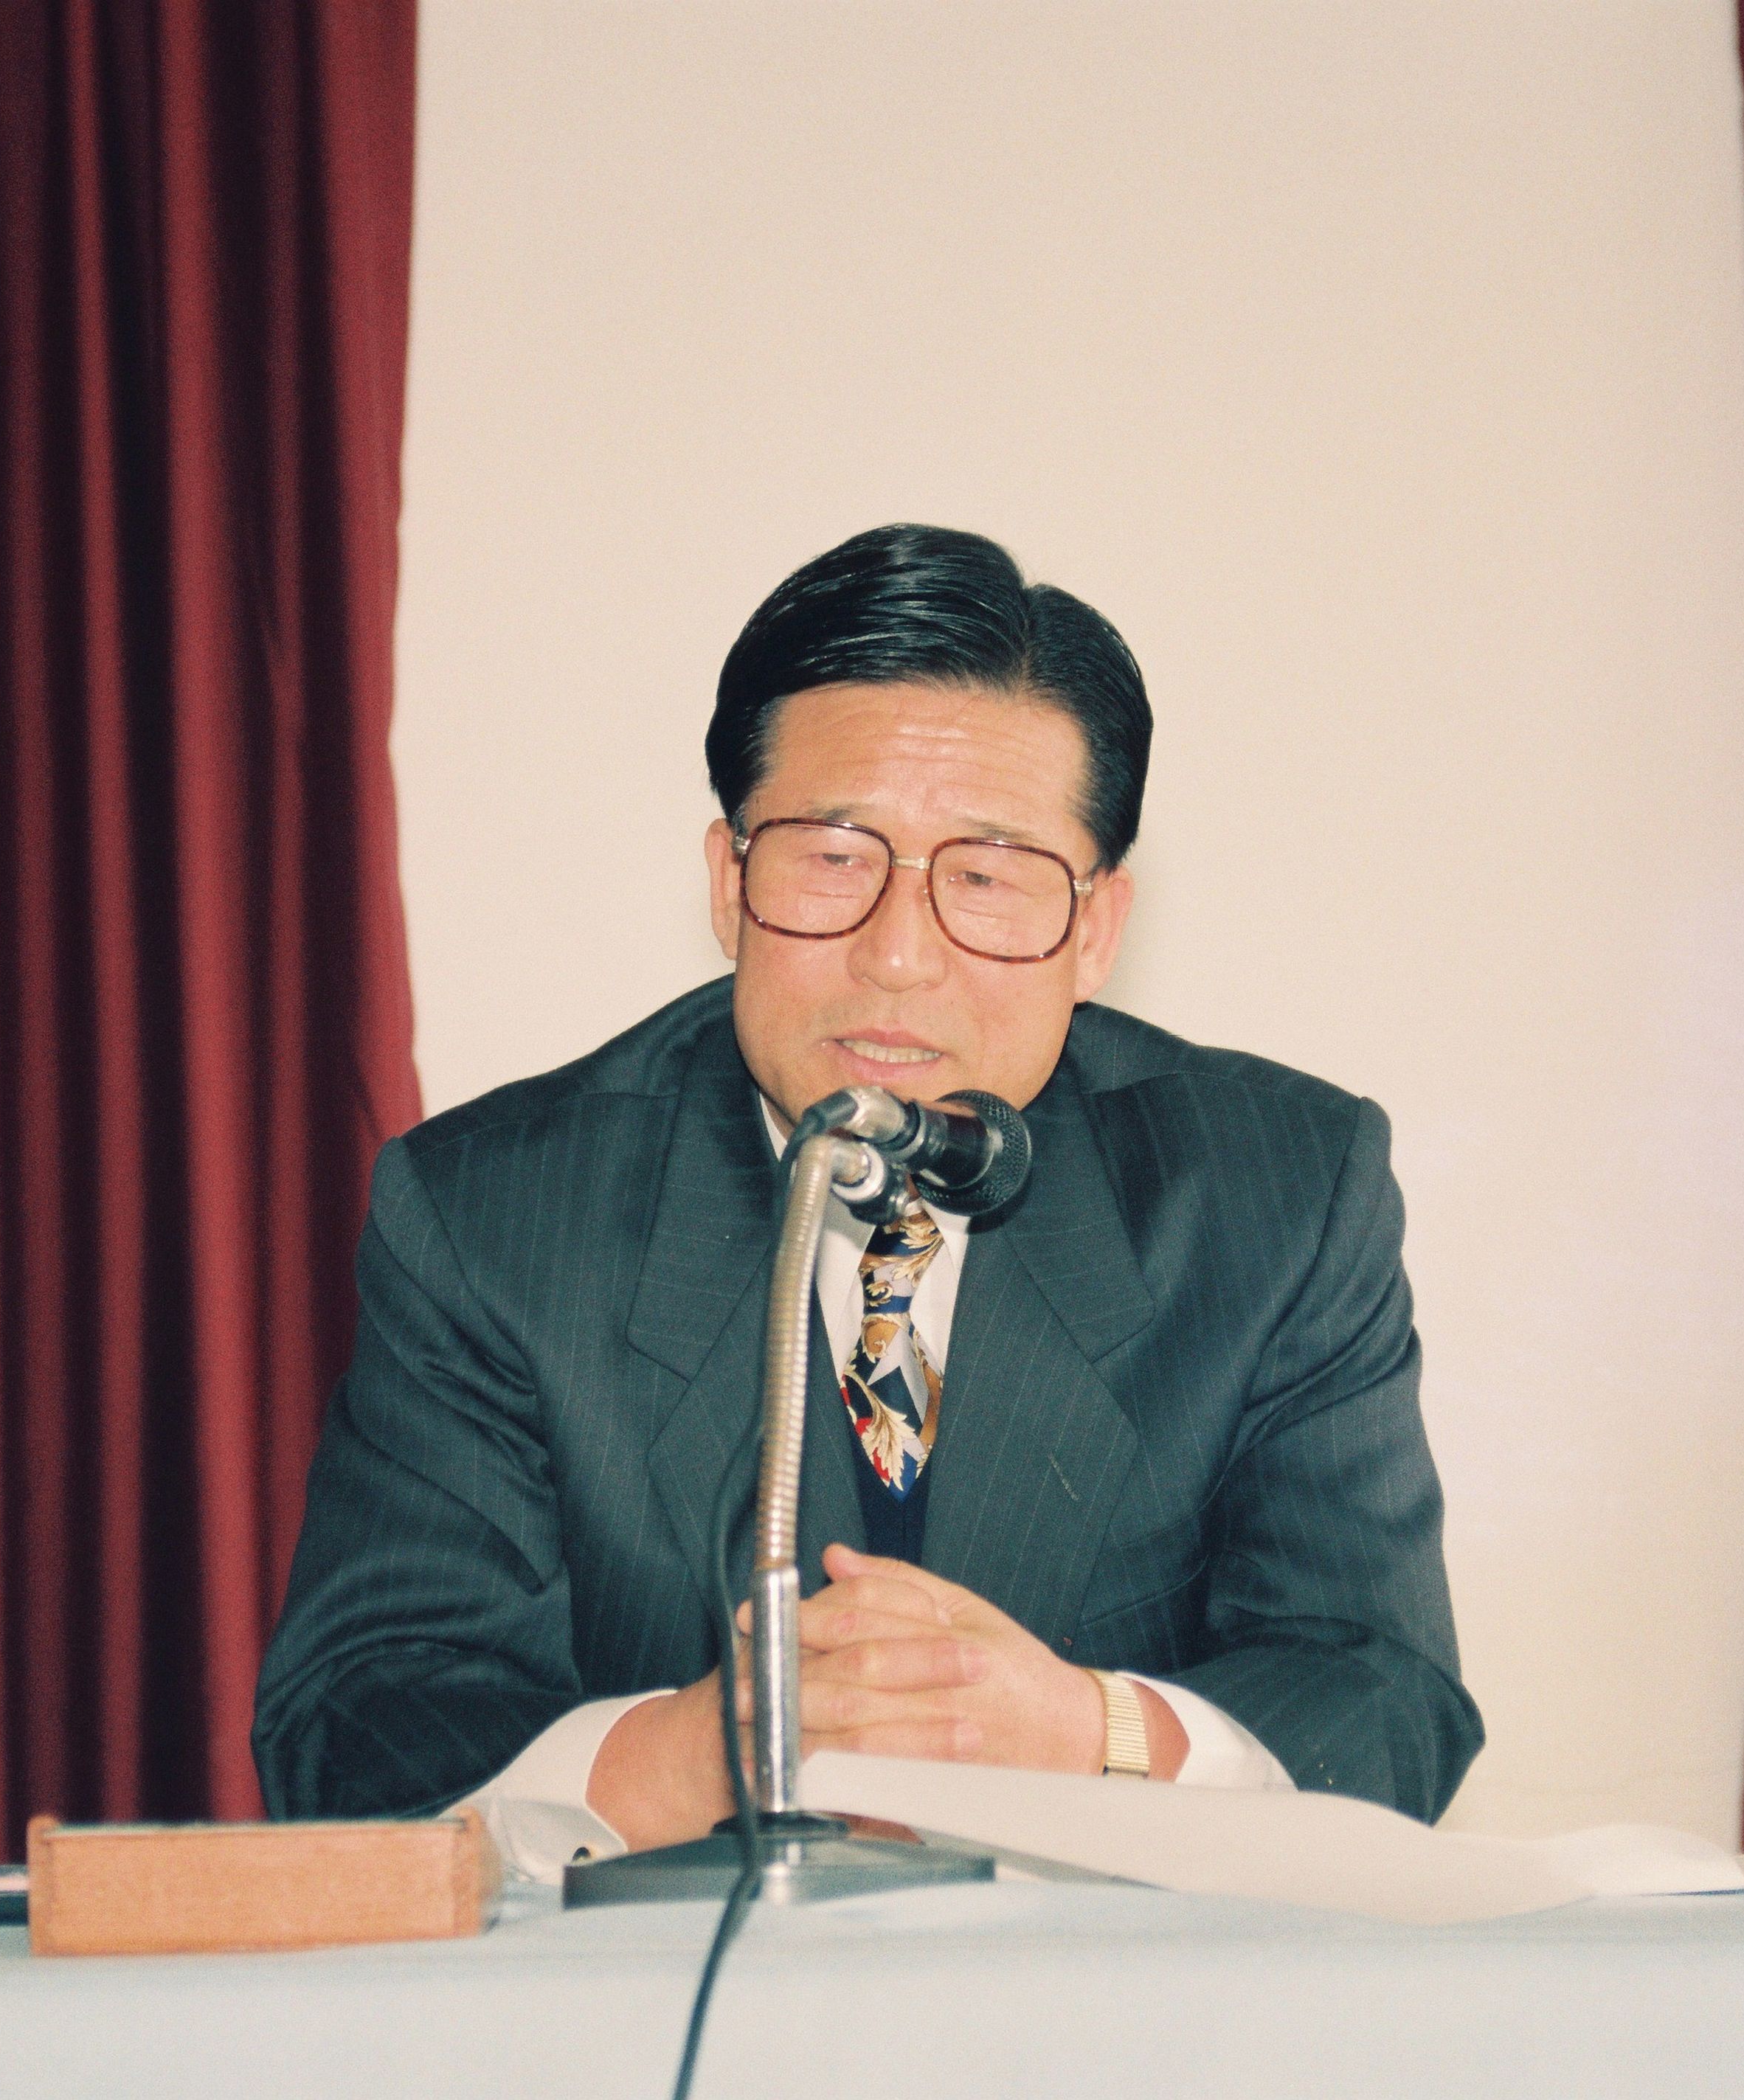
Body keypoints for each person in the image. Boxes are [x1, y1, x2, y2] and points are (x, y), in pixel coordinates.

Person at [255, 524, 1479, 1875]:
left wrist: (1092, 1736)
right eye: (835, 860)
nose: (897, 957)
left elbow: (1384, 1698)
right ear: (728, 883)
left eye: (988, 878)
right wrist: (697, 1753)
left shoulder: (1277, 1196)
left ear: (1095, 931)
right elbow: (354, 1729)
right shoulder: (496, 1216)